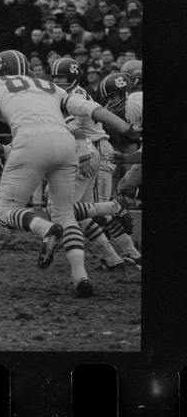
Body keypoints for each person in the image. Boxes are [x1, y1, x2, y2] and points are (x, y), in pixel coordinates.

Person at [0, 50, 140, 297]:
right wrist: (124, 127)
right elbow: (87, 111)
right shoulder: (46, 86)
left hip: (46, 145)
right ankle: (80, 276)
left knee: (7, 212)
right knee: (65, 213)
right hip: (67, 145)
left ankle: (47, 230)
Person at [49, 59, 140, 269]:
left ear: (72, 77)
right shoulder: (67, 94)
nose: (57, 82)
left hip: (93, 149)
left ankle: (127, 251)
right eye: (54, 78)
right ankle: (120, 255)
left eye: (61, 78)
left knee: (93, 211)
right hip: (87, 150)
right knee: (86, 211)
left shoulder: (75, 96)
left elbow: (72, 128)